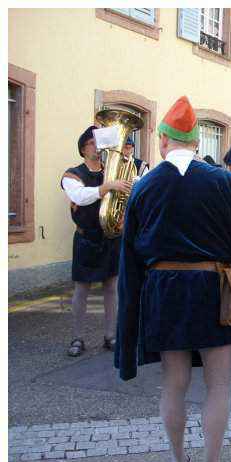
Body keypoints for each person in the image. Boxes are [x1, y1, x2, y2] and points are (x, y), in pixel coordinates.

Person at [115, 96, 231, 462]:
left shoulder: (144, 187)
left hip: (164, 292)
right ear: (196, 142)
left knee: (173, 383)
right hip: (215, 290)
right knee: (219, 384)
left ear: (162, 139)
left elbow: (129, 257)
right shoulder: (225, 182)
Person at [60, 126, 132, 357]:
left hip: (110, 237)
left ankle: (110, 336)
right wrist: (107, 186)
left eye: (99, 144)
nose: (98, 148)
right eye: (93, 143)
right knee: (81, 288)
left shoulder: (111, 172)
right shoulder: (73, 174)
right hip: (87, 238)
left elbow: (125, 194)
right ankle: (77, 337)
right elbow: (80, 196)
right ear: (83, 148)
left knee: (112, 288)